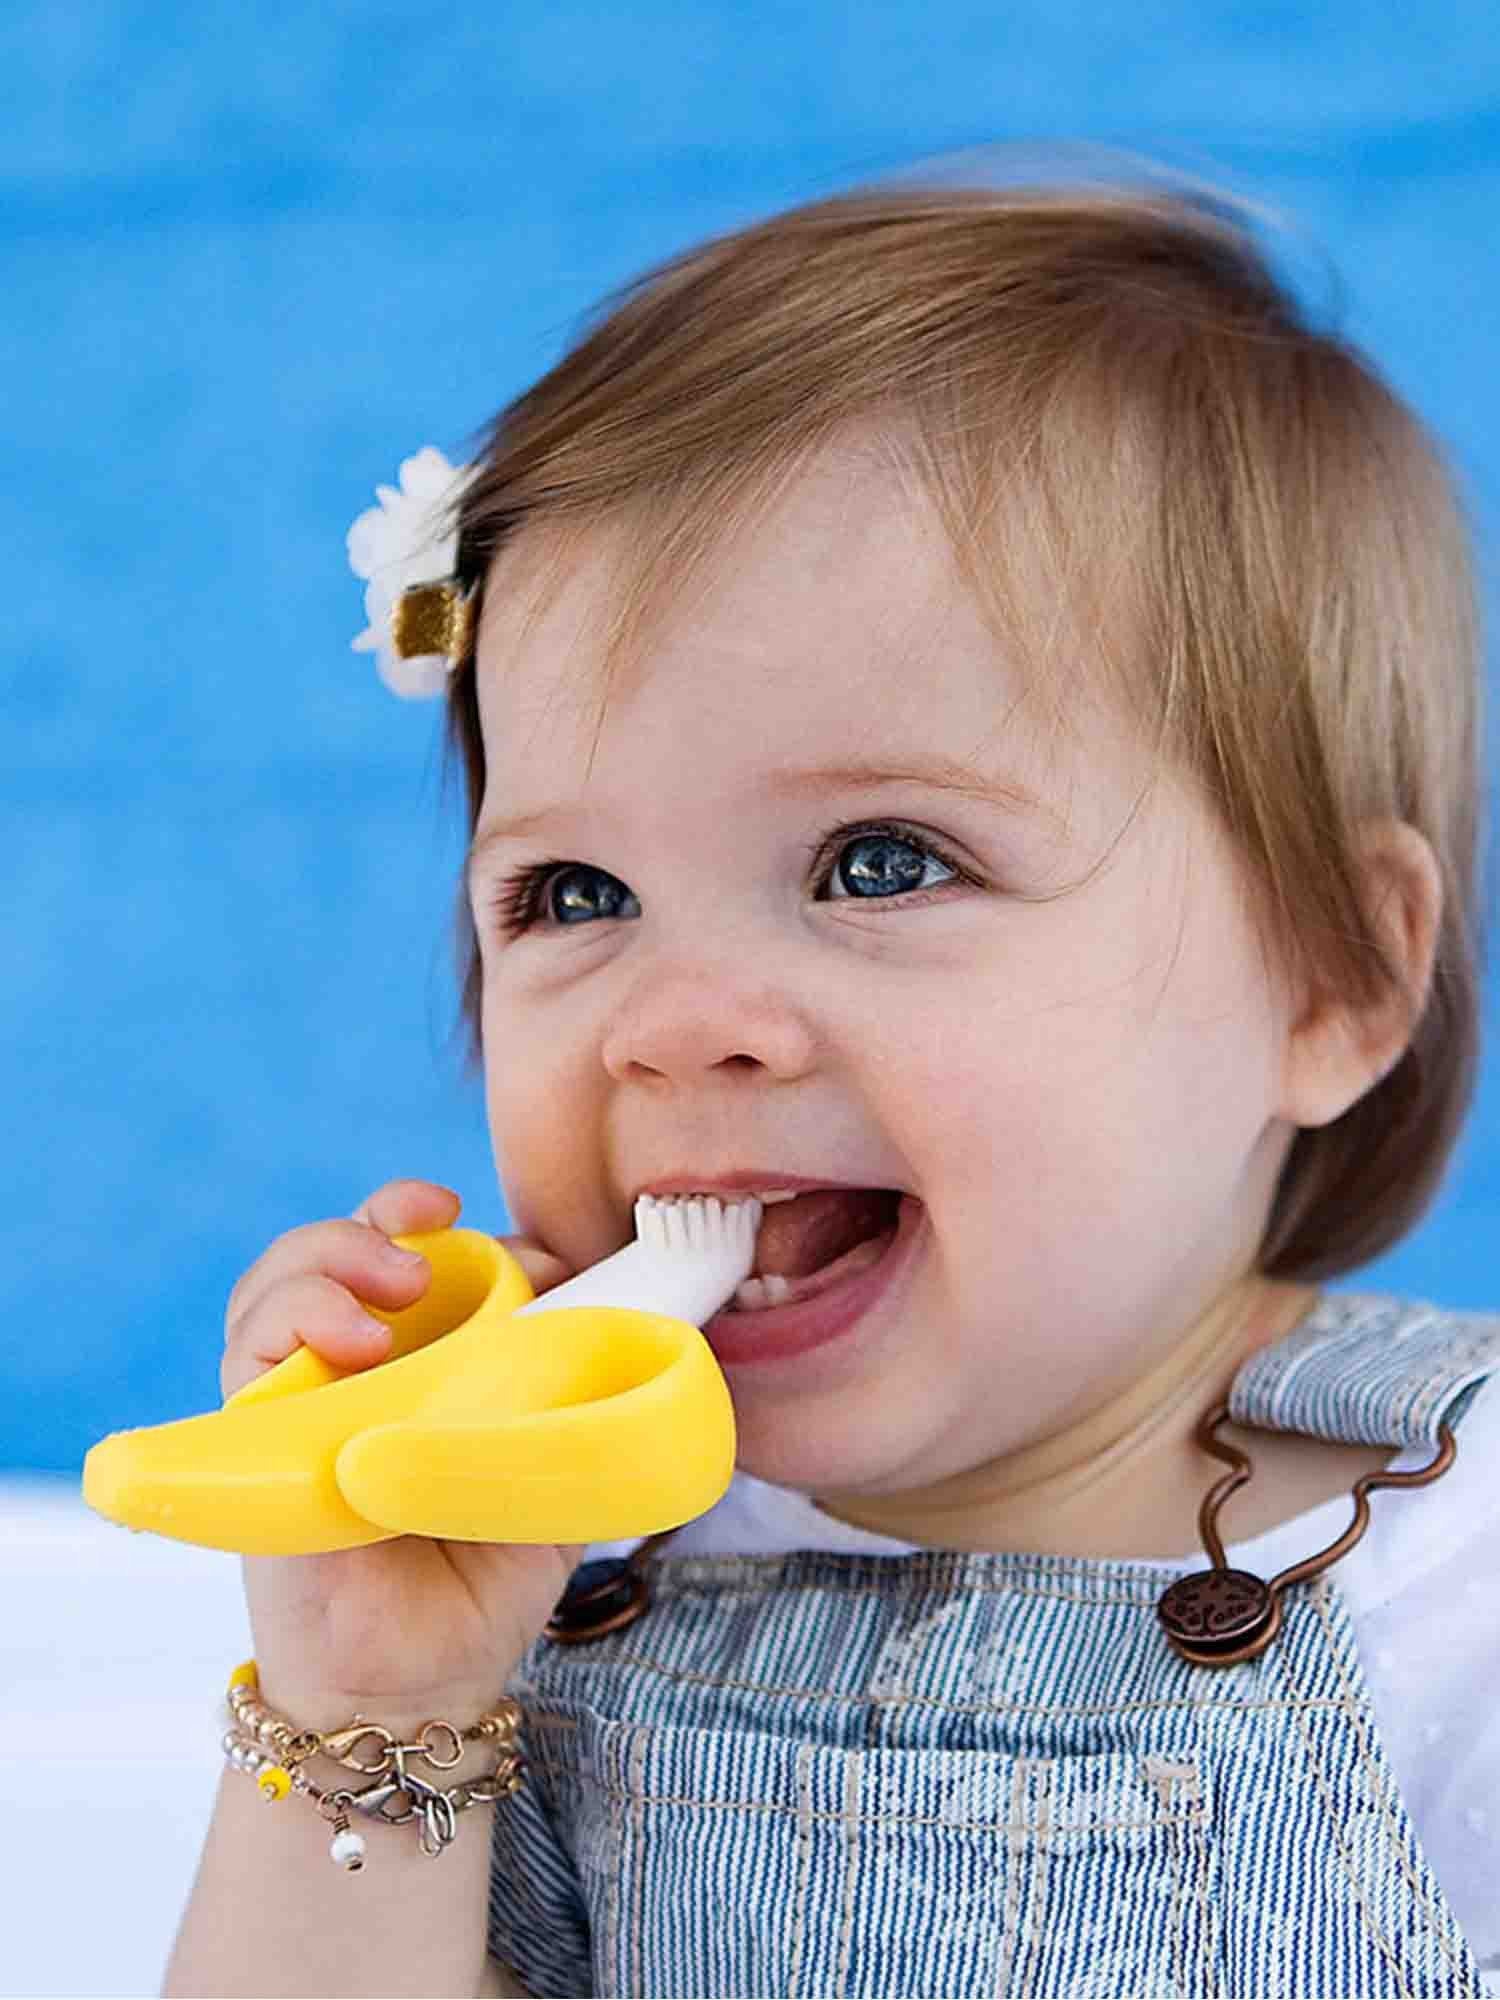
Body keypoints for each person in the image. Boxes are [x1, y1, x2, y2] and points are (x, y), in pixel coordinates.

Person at [162, 167, 1500, 1998]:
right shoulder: (544, 1576)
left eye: (882, 861)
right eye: (574, 895)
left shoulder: (1455, 1566)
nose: (675, 1019)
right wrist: (373, 1703)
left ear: (1332, 974)